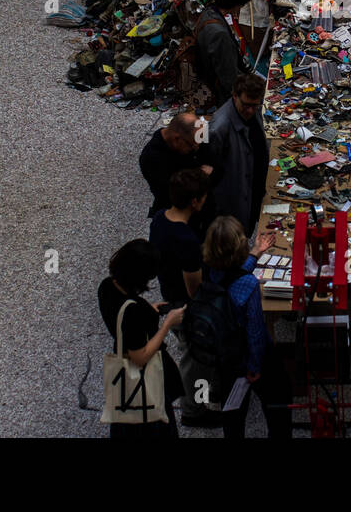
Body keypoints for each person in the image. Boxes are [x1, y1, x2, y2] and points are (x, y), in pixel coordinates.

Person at [201, 216, 291, 438]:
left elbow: (233, 275)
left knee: (233, 414)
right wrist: (255, 366)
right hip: (251, 358)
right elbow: (255, 331)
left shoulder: (210, 272)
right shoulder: (249, 285)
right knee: (278, 404)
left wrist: (255, 254)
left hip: (226, 358)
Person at [97, 239, 184, 438]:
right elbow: (140, 356)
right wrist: (167, 324)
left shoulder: (107, 287)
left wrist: (148, 311)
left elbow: (122, 324)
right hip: (144, 384)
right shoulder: (133, 312)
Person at [206, 73, 269, 237]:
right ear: (234, 96)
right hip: (236, 201)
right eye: (246, 105)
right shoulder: (218, 128)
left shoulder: (253, 110)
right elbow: (212, 175)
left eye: (255, 105)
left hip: (252, 192)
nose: (250, 110)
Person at [139, 111, 213, 230]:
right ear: (176, 139)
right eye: (192, 145)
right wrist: (201, 174)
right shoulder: (152, 158)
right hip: (182, 218)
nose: (196, 148)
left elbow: (209, 154)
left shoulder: (194, 134)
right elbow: (172, 193)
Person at [149, 169, 209, 308]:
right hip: (184, 304)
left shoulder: (159, 217)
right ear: (194, 202)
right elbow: (194, 291)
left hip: (168, 290)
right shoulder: (186, 240)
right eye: (204, 197)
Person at [197, 0, 254, 106]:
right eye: (241, 5)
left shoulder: (208, 13)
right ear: (236, 5)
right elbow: (229, 76)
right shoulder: (219, 34)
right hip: (221, 92)